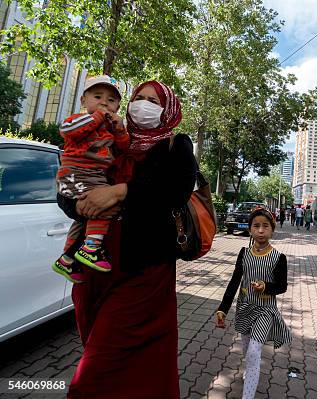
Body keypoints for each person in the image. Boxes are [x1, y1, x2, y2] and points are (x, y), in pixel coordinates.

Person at [57, 80, 197, 399]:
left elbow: (175, 190)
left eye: (153, 101)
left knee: (96, 370)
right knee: (96, 346)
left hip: (143, 272)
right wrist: (79, 204)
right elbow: (68, 183)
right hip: (91, 268)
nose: (143, 104)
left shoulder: (175, 145)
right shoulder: (107, 136)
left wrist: (120, 191)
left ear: (168, 111)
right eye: (138, 98)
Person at [52, 76, 129, 283]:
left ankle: (67, 259)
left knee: (83, 220)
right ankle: (91, 248)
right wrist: (96, 118)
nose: (104, 102)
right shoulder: (78, 120)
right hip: (75, 175)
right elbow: (68, 130)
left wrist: (120, 129)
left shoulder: (109, 129)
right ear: (83, 101)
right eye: (97, 96)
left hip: (94, 177)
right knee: (102, 206)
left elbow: (123, 148)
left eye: (111, 100)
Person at [215, 208, 291, 399]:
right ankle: (251, 370)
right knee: (248, 350)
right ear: (250, 230)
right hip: (244, 308)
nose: (260, 230)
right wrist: (222, 309)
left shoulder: (279, 258)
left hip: (265, 311)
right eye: (256, 226)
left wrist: (266, 286)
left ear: (272, 230)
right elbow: (234, 282)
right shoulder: (243, 253)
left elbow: (282, 287)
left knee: (255, 352)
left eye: (265, 226)